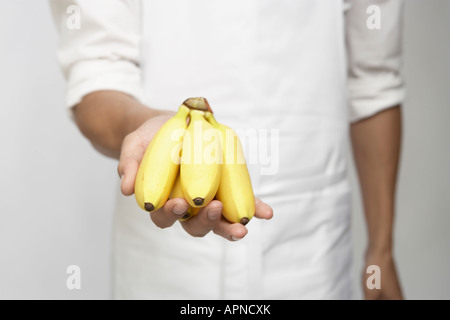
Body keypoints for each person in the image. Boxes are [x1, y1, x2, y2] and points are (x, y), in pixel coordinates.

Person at [50, 0, 404, 299]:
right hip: (165, 260)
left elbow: (374, 82)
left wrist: (381, 249)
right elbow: (96, 73)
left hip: (313, 248)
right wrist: (151, 126)